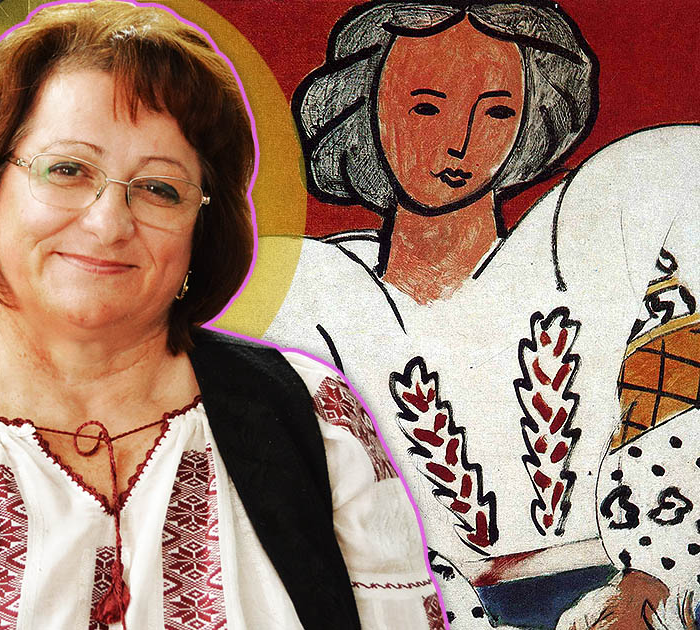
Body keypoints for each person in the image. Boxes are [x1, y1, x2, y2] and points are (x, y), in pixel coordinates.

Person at [0, 2, 444, 628]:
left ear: (203, 225)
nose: (107, 223)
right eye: (67, 170)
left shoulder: (314, 422)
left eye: (159, 188)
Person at [259, 1, 700, 627]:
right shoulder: (307, 292)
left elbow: (679, 404)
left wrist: (651, 579)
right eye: (425, 108)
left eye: (496, 111)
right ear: (364, 106)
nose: (459, 141)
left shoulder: (597, 231)